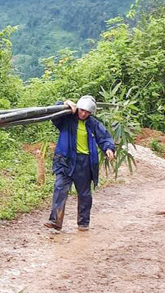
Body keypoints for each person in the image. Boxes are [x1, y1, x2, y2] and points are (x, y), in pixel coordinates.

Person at [44, 95, 115, 232]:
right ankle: (55, 221)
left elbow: (104, 137)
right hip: (65, 159)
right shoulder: (67, 118)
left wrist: (109, 148)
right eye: (82, 110)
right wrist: (64, 103)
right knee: (60, 189)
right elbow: (54, 114)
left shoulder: (93, 123)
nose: (83, 114)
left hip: (84, 163)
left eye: (87, 112)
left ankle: (83, 223)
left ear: (91, 113)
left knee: (84, 194)